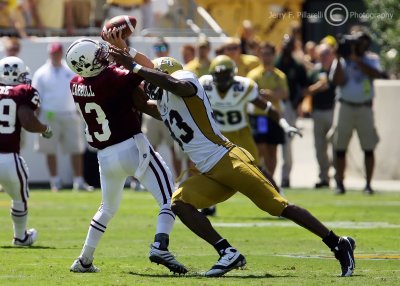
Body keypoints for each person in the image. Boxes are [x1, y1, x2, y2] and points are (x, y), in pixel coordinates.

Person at [109, 47, 356, 278]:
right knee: (180, 203)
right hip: (208, 171)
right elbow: (140, 103)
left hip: (228, 160)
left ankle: (337, 243)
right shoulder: (165, 103)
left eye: (154, 79)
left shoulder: (188, 83)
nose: (150, 86)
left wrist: (135, 66)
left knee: (278, 206)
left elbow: (174, 84)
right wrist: (115, 71)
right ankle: (227, 252)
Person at [65, 37, 187, 274]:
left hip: (105, 156)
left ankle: (84, 259)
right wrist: (126, 49)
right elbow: (148, 68)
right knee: (169, 198)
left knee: (107, 208)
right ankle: (160, 245)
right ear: (91, 63)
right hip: (132, 146)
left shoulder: (74, 83)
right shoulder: (112, 79)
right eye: (99, 54)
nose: (104, 56)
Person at [199, 54, 300, 216]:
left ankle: (281, 200)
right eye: (219, 75)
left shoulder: (243, 86)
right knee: (210, 169)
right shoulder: (204, 84)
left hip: (240, 133)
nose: (223, 79)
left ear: (233, 75)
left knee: (257, 168)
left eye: (226, 75)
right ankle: (208, 204)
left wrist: (284, 124)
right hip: (218, 134)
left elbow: (267, 108)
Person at [0, 56, 53, 246]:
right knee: (19, 197)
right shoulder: (23, 92)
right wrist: (44, 129)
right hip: (8, 157)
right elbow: (28, 121)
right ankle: (20, 237)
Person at [32, 42, 92, 192]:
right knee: (50, 149)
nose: (56, 56)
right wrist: (37, 115)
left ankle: (78, 180)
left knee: (76, 149)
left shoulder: (71, 70)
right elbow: (36, 95)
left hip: (70, 114)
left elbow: (79, 90)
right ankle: (55, 181)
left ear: (62, 53)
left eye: (58, 53)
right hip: (49, 115)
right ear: (49, 54)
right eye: (53, 53)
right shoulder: (41, 73)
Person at [330, 30, 384, 195]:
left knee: (368, 147)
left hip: (364, 107)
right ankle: (340, 182)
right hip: (345, 106)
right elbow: (337, 81)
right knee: (340, 147)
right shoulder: (342, 61)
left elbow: (376, 74)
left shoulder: (371, 59)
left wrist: (357, 60)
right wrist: (340, 57)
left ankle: (368, 183)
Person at [247, 42, 289, 180]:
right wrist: (273, 94)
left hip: (274, 116)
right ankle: (262, 178)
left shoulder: (279, 75)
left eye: (269, 54)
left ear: (273, 55)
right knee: (261, 148)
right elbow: (252, 93)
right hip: (260, 116)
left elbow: (283, 93)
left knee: (273, 149)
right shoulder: (253, 74)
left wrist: (268, 93)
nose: (266, 57)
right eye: (264, 54)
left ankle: (271, 178)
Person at [275, 34, 309, 188]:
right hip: (274, 103)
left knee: (287, 143)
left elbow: (303, 88)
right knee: (268, 143)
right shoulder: (276, 63)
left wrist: (297, 104)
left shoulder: (297, 65)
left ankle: (285, 177)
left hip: (289, 105)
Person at [306, 44, 336, 189]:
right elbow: (306, 90)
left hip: (333, 111)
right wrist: (318, 86)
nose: (324, 57)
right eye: (322, 54)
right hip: (318, 111)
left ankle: (338, 177)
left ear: (332, 55)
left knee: (336, 145)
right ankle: (324, 177)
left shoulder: (337, 70)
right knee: (320, 147)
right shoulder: (315, 71)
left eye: (327, 54)